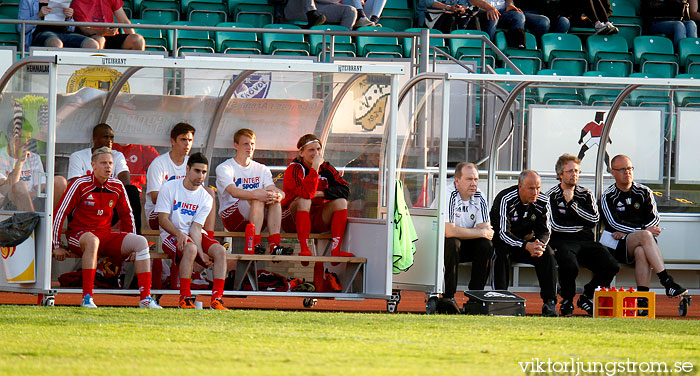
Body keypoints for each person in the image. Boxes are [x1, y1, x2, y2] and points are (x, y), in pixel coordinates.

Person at [52, 147, 161, 309]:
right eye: (103, 163)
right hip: (79, 235)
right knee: (93, 241)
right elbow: (59, 213)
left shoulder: (117, 185)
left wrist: (131, 245)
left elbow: (127, 215)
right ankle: (87, 297)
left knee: (140, 242)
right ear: (93, 165)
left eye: (110, 163)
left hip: (104, 235)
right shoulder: (80, 184)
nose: (108, 167)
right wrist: (56, 246)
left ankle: (145, 298)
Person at [600, 155, 687, 314]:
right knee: (645, 237)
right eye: (622, 169)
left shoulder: (644, 191)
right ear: (613, 172)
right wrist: (643, 230)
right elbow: (613, 223)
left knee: (642, 249)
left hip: (641, 244)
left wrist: (633, 230)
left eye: (630, 168)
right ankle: (667, 282)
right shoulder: (608, 196)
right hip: (618, 246)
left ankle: (642, 302)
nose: (627, 172)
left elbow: (654, 218)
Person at [546, 154, 619, 316]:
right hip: (562, 242)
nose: (574, 175)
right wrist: (580, 226)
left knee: (611, 265)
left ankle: (587, 296)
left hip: (586, 242)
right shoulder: (550, 195)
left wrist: (572, 204)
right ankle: (567, 300)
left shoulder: (586, 194)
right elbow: (555, 226)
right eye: (570, 171)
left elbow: (593, 219)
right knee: (569, 264)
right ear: (560, 174)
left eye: (577, 171)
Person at [156, 152, 228, 310]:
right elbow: (162, 219)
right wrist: (179, 233)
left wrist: (201, 254)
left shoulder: (206, 197)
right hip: (171, 234)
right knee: (190, 248)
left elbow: (196, 227)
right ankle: (185, 298)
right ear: (187, 169)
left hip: (193, 235)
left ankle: (217, 299)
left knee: (220, 251)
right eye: (197, 171)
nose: (200, 176)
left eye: (204, 172)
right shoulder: (169, 187)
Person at [490, 170, 558, 317]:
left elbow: (546, 230)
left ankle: (550, 303)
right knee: (501, 253)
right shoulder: (505, 199)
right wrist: (525, 245)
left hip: (529, 244)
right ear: (520, 186)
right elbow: (502, 233)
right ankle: (501, 300)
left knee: (548, 254)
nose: (536, 192)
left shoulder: (543, 201)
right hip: (506, 242)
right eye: (531, 188)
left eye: (538, 188)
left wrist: (540, 245)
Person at [216, 128, 293, 256]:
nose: (250, 147)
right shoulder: (225, 167)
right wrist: (256, 194)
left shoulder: (261, 168)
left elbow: (272, 187)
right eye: (245, 144)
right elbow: (233, 191)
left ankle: (274, 245)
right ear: (236, 145)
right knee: (258, 198)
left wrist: (280, 195)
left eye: (252, 144)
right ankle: (254, 244)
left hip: (257, 217)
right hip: (232, 218)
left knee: (273, 199)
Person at [281, 134, 355, 260]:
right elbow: (306, 194)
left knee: (341, 202)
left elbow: (345, 190)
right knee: (304, 200)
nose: (316, 153)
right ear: (301, 152)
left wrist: (322, 193)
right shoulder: (294, 169)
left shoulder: (326, 167)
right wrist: (315, 168)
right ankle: (304, 248)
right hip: (291, 220)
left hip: (315, 218)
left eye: (318, 149)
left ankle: (336, 250)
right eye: (311, 150)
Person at [68, 123, 142, 233]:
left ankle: (135, 236)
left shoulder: (117, 155)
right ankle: (74, 233)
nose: (109, 141)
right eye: (105, 137)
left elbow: (125, 181)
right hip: (85, 207)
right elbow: (75, 186)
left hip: (107, 206)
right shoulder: (78, 156)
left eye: (112, 137)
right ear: (95, 139)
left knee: (132, 191)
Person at [145, 123, 215, 237]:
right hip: (159, 213)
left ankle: (208, 237)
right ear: (173, 141)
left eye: (190, 140)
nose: (187, 144)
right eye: (183, 139)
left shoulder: (192, 163)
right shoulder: (159, 163)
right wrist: (181, 199)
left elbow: (198, 193)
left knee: (209, 193)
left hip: (185, 210)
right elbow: (154, 197)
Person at [441, 162, 494, 313]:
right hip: (441, 247)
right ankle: (448, 297)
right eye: (469, 179)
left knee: (486, 245)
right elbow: (448, 231)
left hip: (465, 244)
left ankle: (475, 298)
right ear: (457, 181)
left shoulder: (480, 196)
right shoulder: (449, 194)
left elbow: (486, 231)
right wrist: (479, 232)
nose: (474, 183)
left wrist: (480, 233)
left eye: (476, 179)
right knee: (453, 243)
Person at [17, 0, 101, 50]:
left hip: (64, 33)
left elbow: (71, 29)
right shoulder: (28, 1)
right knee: (55, 43)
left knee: (92, 44)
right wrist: (38, 15)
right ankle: (55, 75)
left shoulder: (62, 0)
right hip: (42, 34)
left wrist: (69, 17)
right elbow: (20, 28)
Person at [71, 0, 145, 50]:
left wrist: (132, 35)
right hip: (92, 37)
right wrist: (103, 32)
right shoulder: (77, 3)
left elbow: (124, 21)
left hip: (112, 36)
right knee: (99, 40)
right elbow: (85, 30)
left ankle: (136, 71)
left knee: (138, 39)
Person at [284, 0, 358, 30]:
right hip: (299, 9)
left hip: (321, 7)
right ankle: (312, 13)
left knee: (351, 11)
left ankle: (340, 42)